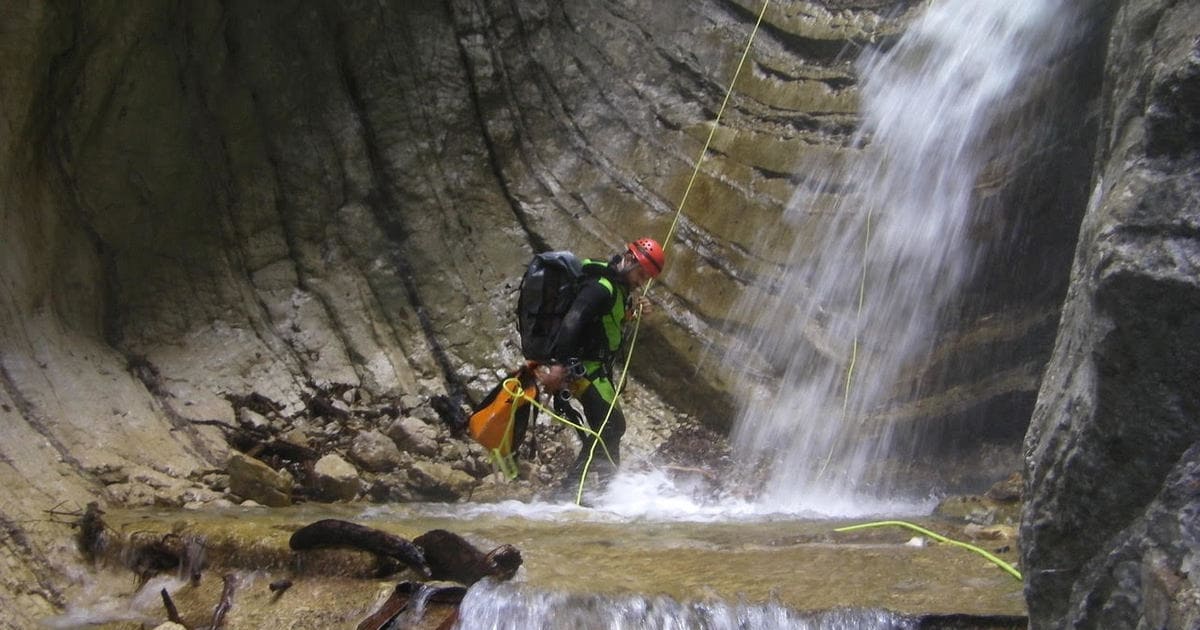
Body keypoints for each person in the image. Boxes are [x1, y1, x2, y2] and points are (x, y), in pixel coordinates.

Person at [534, 237, 666, 492]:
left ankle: (606, 491)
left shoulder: (619, 289)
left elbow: (607, 322)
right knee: (608, 427)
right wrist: (558, 368)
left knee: (613, 427)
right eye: (641, 274)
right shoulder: (600, 288)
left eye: (647, 278)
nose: (642, 282)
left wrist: (634, 312)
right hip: (580, 368)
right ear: (630, 259)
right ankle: (569, 492)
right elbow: (571, 324)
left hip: (596, 369)